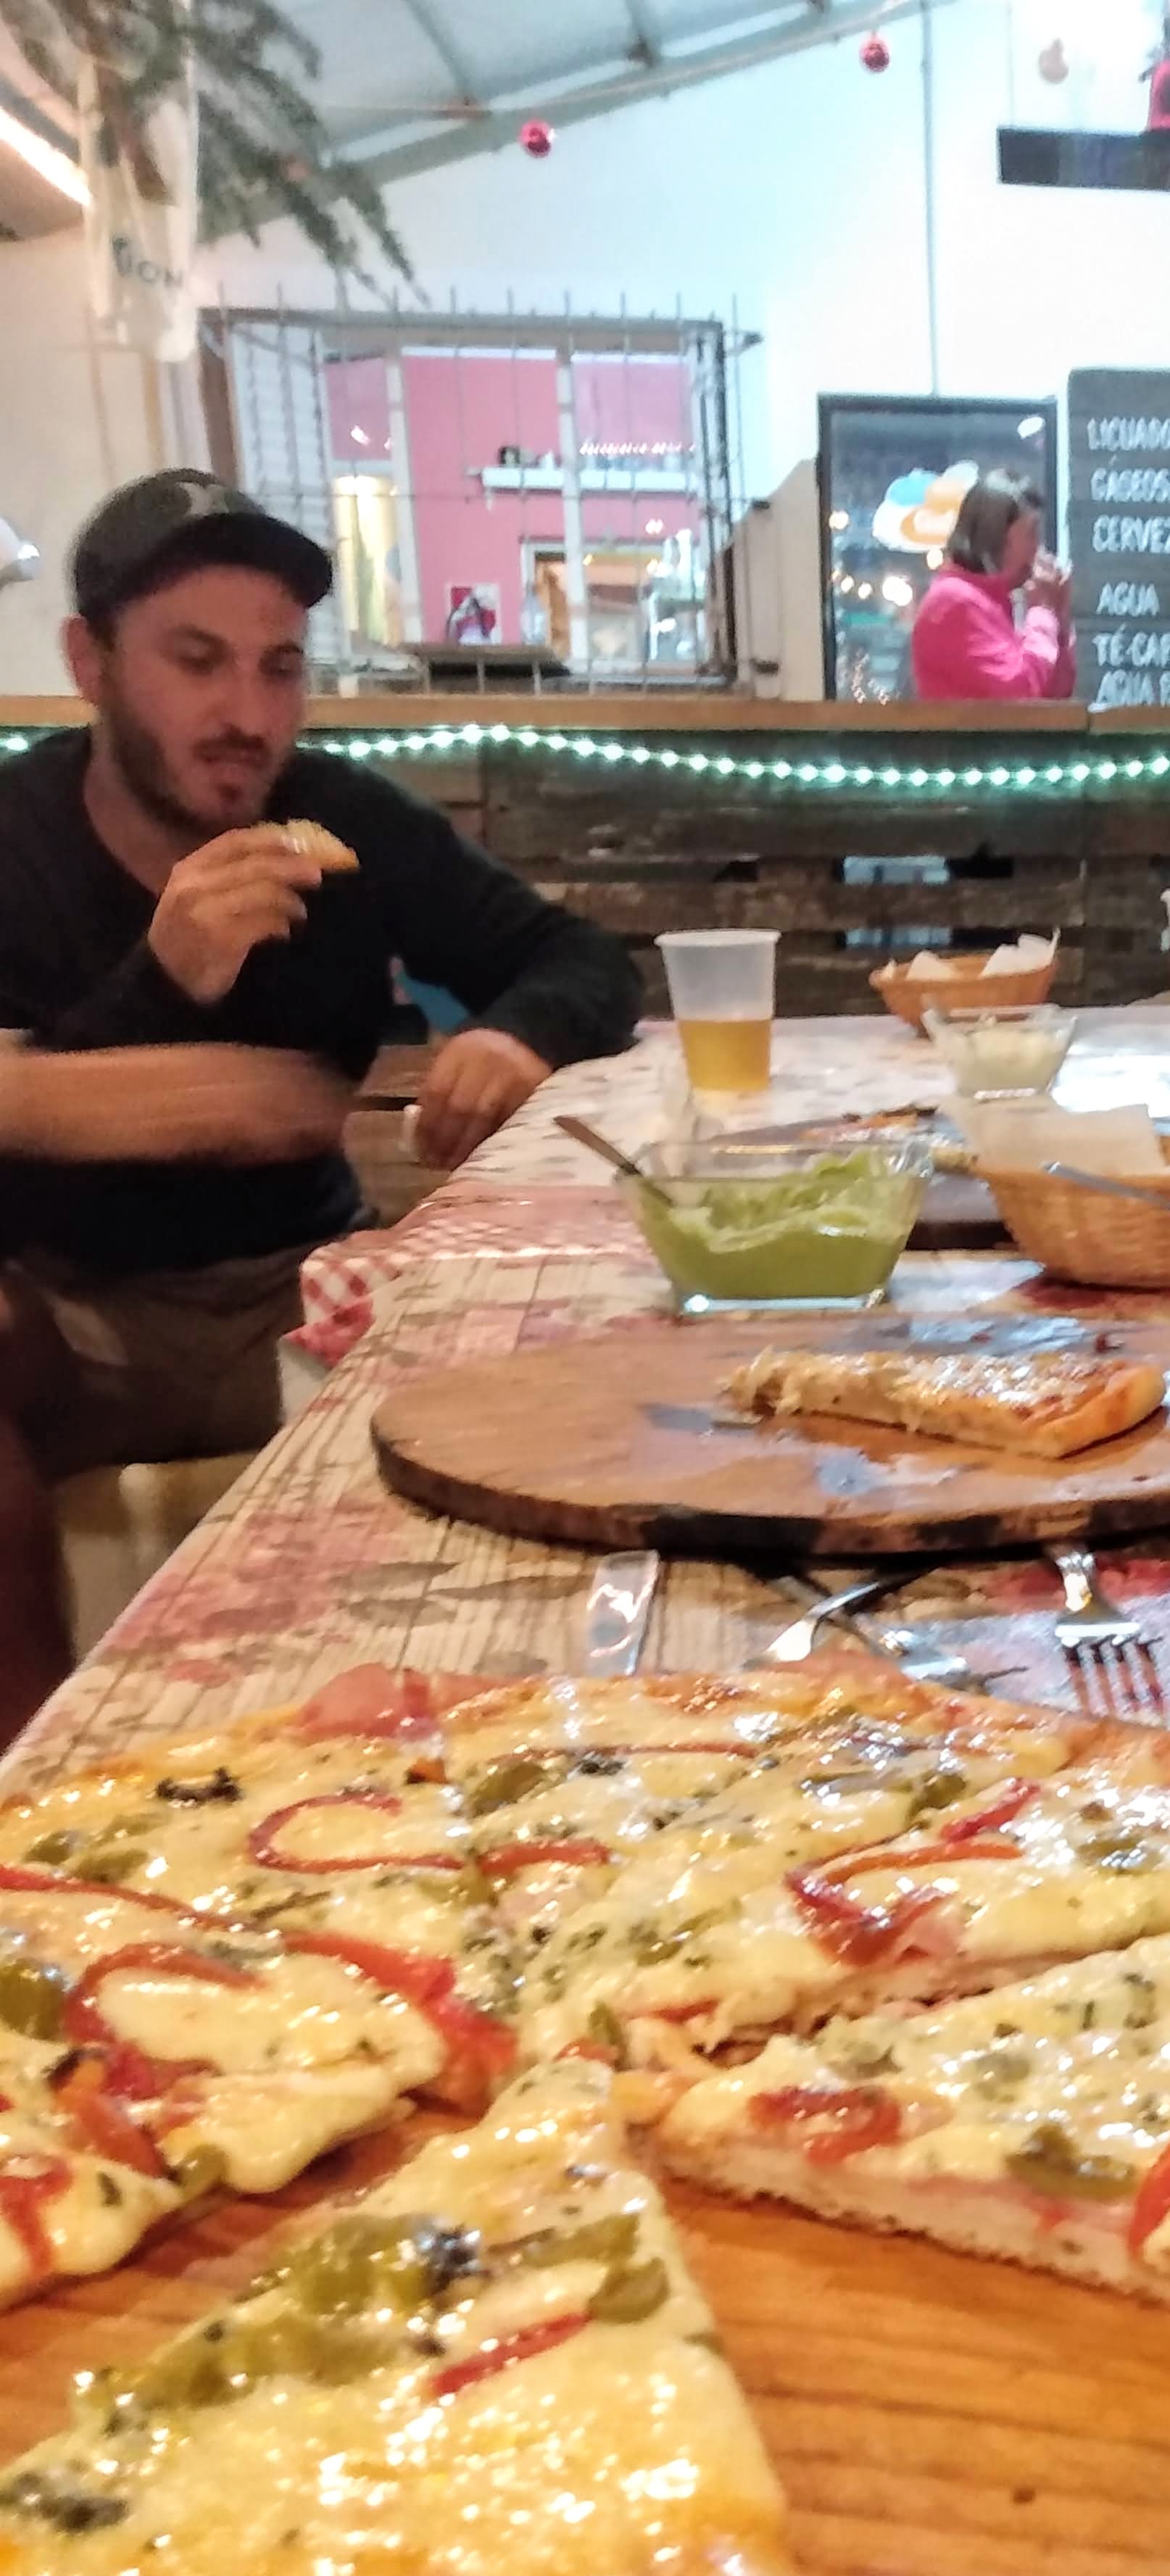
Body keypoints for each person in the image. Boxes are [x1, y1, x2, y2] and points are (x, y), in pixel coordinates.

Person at [0, 466, 641, 1740]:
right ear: (92, 660)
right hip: (66, 1312)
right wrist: (163, 991)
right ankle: (30, 1794)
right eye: (197, 661)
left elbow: (584, 961)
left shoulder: (347, 822)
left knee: (589, 1347)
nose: (246, 713)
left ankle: (477, 1747)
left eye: (279, 668)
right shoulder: (14, 836)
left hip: (305, 1288)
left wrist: (516, 1034)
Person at [908, 473, 1075, 703]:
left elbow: (1054, 697)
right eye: (1031, 533)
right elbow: (1020, 695)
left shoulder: (991, 602)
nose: (1038, 548)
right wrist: (1043, 611)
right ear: (998, 538)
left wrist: (1059, 621)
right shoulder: (953, 602)